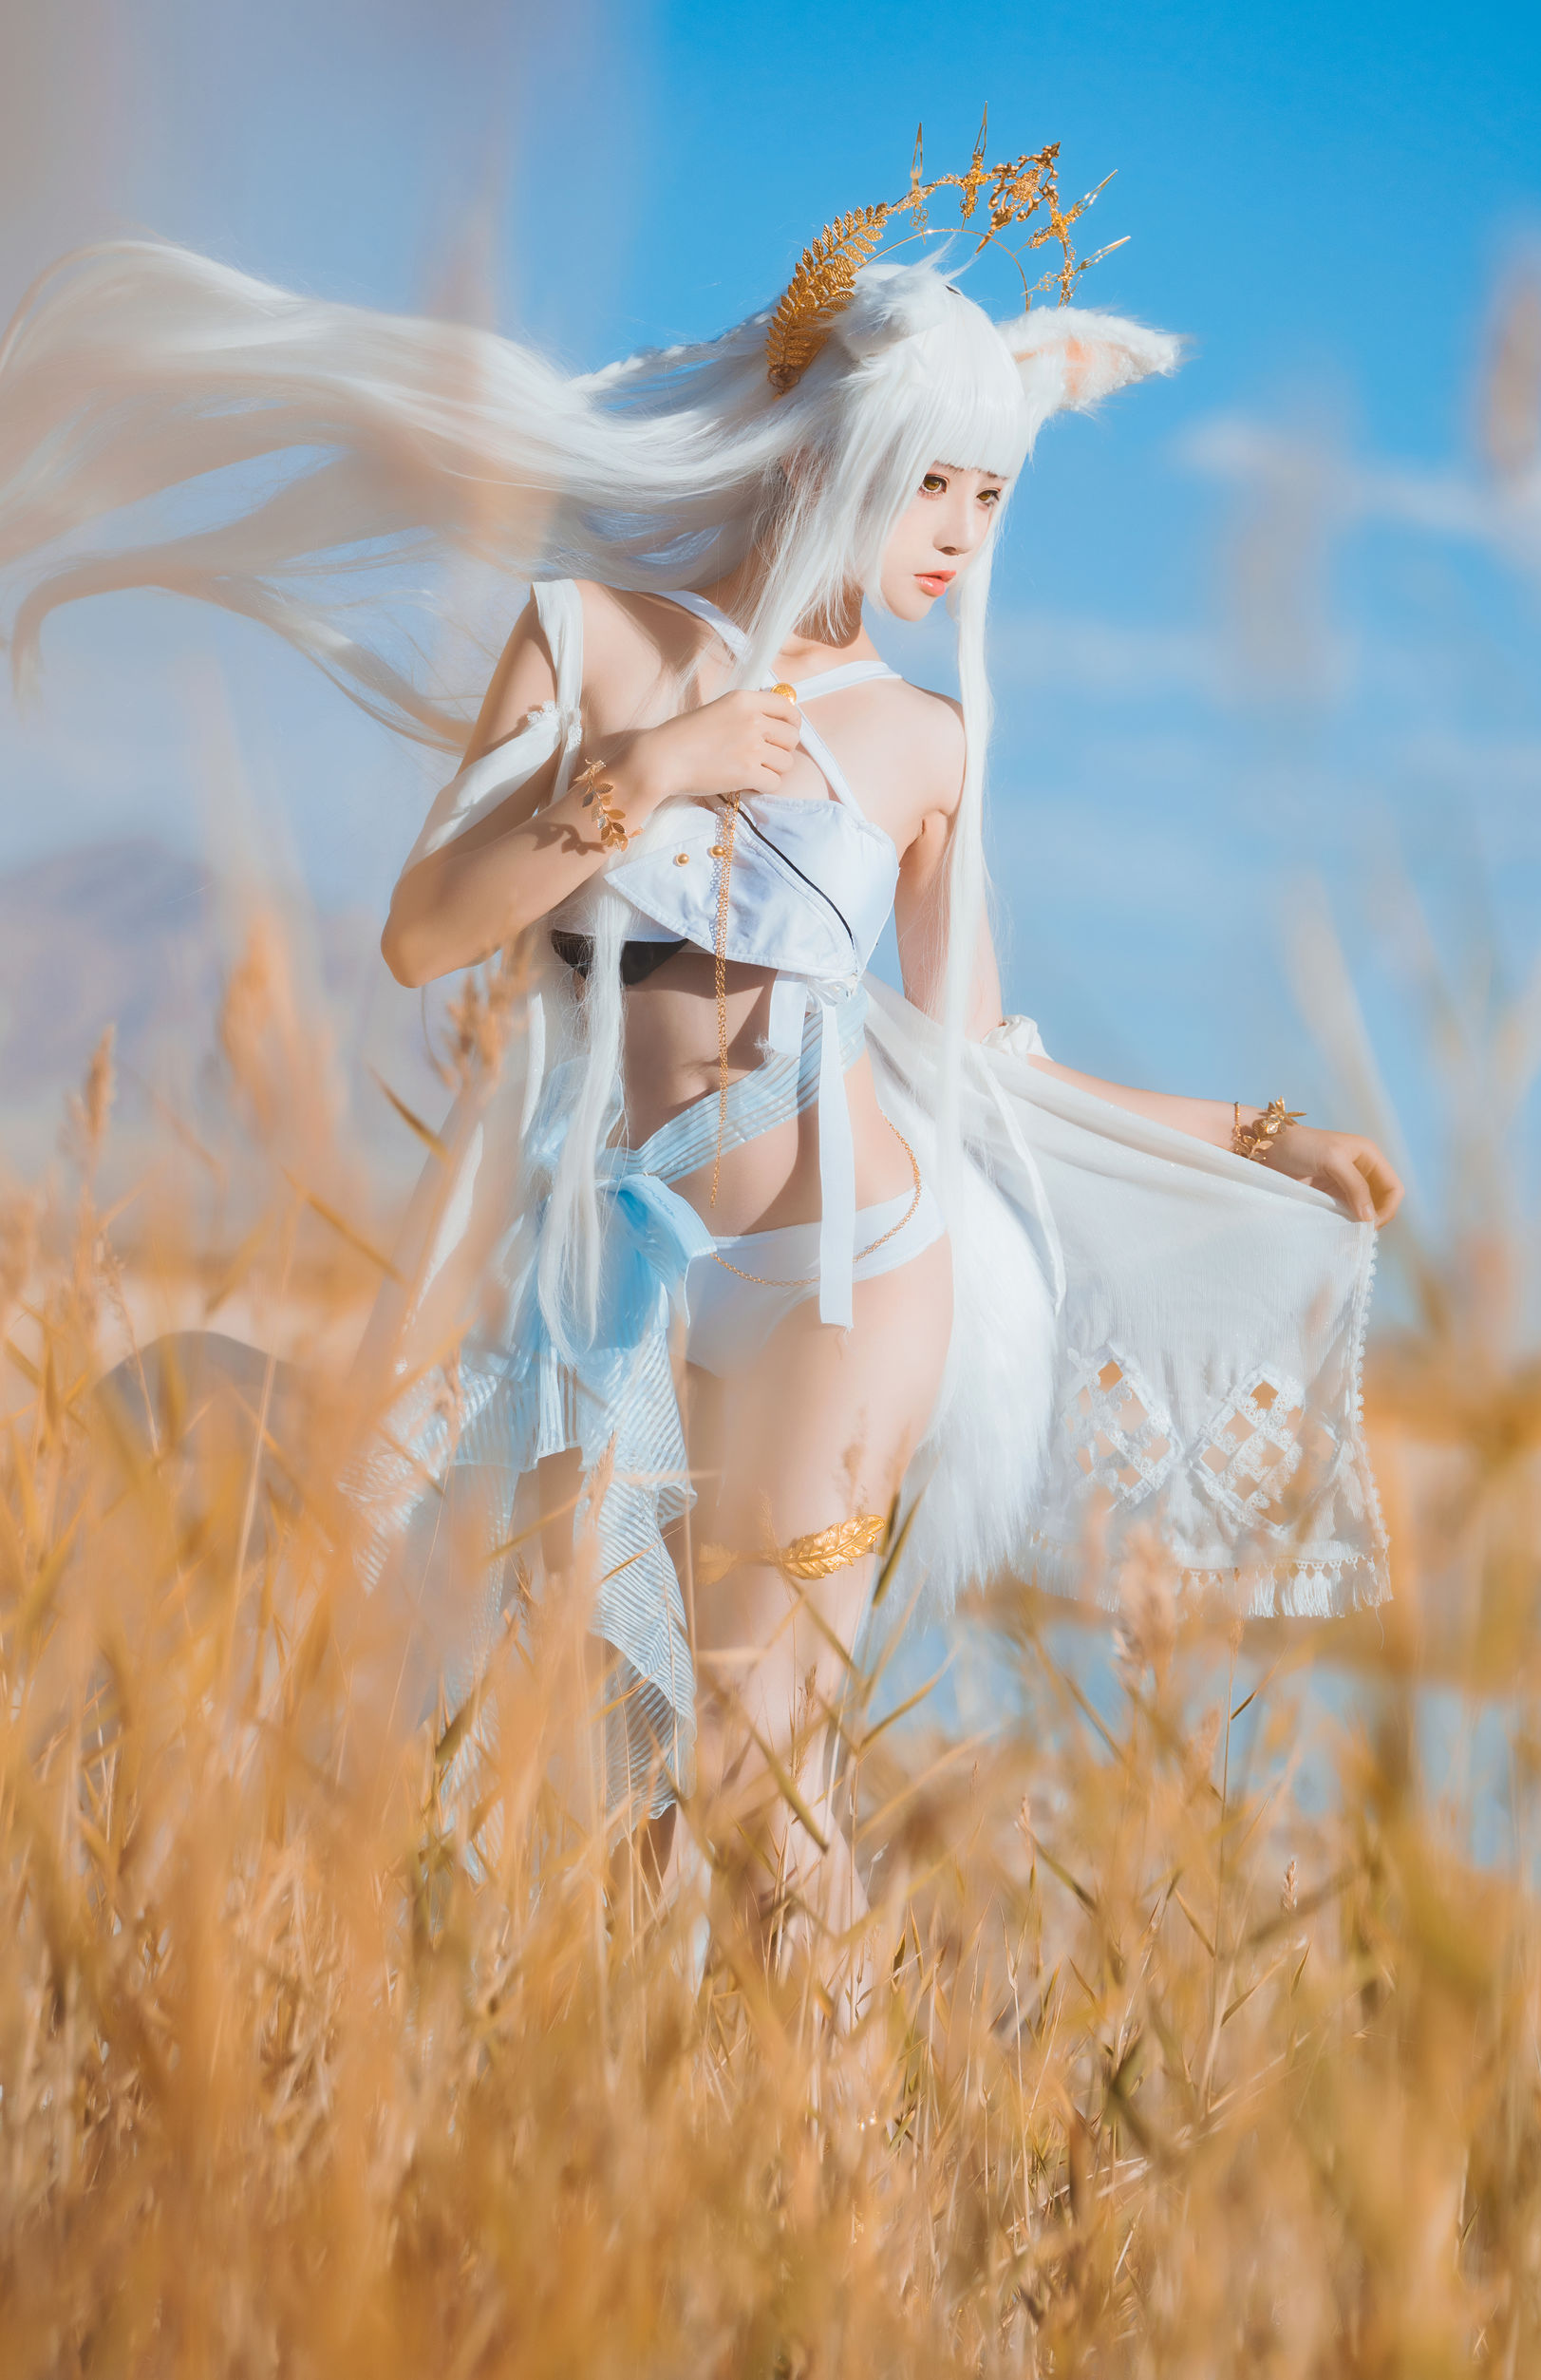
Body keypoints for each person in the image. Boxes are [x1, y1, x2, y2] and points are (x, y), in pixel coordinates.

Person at [0, 136, 1400, 1940]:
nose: (959, 533)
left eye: (989, 494)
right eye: (930, 482)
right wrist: (652, 767)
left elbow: (983, 1055)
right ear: (819, 451)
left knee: (750, 1772)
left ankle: (835, 2101)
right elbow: (428, 931)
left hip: (839, 1269)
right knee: (601, 1738)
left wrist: (1264, 1132)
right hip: (597, 1262)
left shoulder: (926, 744)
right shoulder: (587, 640)